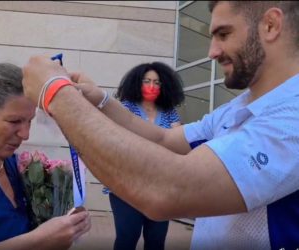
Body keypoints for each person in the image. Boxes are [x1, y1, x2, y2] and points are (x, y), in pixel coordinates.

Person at [21, 1, 299, 249]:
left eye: (223, 34)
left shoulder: (291, 119)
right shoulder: (237, 108)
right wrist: (101, 99)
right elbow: (165, 140)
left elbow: (168, 189)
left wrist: (56, 94)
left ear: (271, 25)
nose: (212, 52)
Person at [0, 63, 91, 250]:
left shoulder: (13, 162)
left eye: (29, 121)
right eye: (14, 121)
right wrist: (40, 240)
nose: (25, 134)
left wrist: (66, 223)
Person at [108, 62, 184, 250]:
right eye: (146, 81)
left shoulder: (169, 112)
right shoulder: (125, 107)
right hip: (126, 187)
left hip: (160, 187)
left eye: (157, 82)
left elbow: (178, 142)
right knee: (127, 238)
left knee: (156, 241)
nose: (152, 86)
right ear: (137, 83)